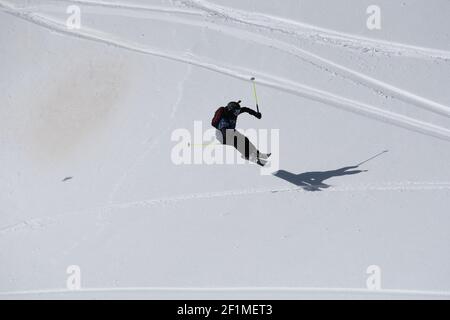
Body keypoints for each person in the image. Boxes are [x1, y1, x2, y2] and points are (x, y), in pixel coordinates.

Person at [214, 101, 270, 166]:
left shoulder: (234, 112)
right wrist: (232, 136)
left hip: (231, 131)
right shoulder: (224, 119)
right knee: (237, 142)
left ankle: (257, 153)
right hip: (222, 136)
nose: (237, 113)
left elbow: (245, 109)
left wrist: (256, 114)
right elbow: (224, 131)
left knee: (245, 139)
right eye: (236, 111)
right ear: (231, 110)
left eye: (238, 111)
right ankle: (248, 156)